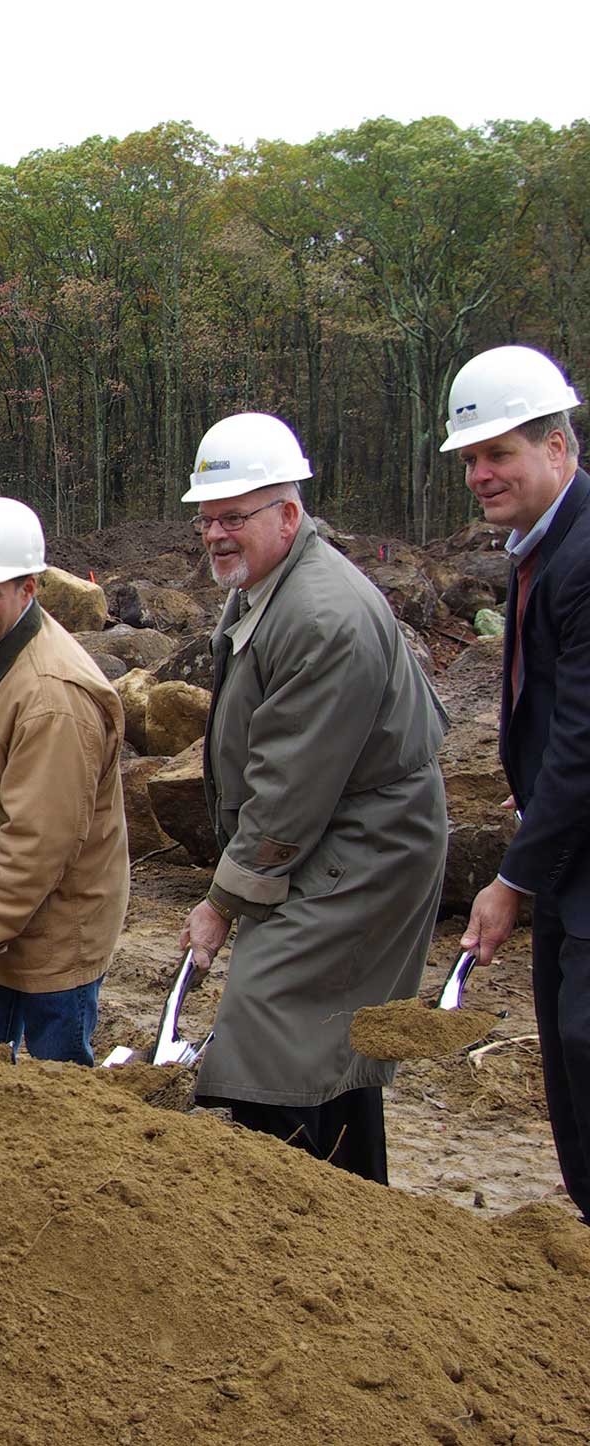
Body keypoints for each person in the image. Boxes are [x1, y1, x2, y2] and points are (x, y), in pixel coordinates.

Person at [176, 411, 447, 1183]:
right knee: (323, 1039)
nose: (217, 534)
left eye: (235, 516)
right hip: (331, 827)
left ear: (288, 513)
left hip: (366, 846)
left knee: (267, 1032)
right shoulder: (269, 583)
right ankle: (355, 1196)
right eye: (207, 519)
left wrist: (222, 903)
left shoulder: (324, 616)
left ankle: (299, 1215)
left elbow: (290, 791)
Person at [451, 344, 590, 1220]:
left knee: (581, 1040)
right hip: (569, 839)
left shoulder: (583, 557)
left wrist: (511, 880)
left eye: (498, 452)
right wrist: (532, 782)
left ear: (558, 447)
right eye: (470, 458)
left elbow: (585, 741)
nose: (478, 473)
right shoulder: (539, 542)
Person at [0, 496, 127, 1064]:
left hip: (56, 930)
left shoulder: (51, 700)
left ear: (28, 589)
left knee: (54, 1101)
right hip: (1, 909)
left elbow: (40, 842)